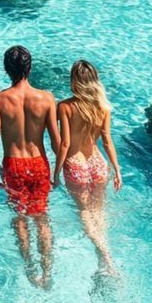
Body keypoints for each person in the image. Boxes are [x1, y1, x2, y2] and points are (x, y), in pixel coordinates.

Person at [0, 46, 60, 287]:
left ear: (7, 69)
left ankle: (30, 268)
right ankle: (47, 272)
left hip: (13, 165)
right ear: (30, 67)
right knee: (41, 217)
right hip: (39, 163)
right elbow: (56, 140)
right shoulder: (47, 98)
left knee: (20, 216)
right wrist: (58, 171)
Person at [54, 60, 122, 279]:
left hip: (76, 164)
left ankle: (104, 255)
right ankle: (105, 256)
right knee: (98, 211)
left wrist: (55, 172)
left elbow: (64, 144)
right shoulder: (103, 107)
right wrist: (117, 170)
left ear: (75, 81)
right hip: (98, 164)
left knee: (84, 212)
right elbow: (107, 141)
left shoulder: (65, 106)